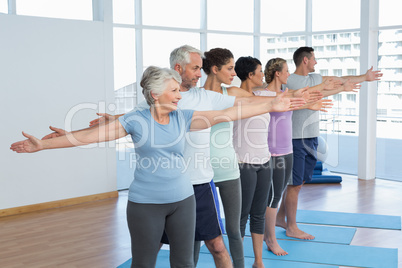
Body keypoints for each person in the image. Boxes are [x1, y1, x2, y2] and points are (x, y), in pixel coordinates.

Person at [44, 45, 306, 268]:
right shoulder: (139, 116)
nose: (183, 94)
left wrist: (273, 104)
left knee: (203, 251)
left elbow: (231, 112)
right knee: (149, 258)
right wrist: (52, 142)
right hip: (149, 199)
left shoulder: (186, 113)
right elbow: (100, 133)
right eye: (176, 89)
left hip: (189, 192)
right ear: (160, 91)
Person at [275, 47, 383, 242]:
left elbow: (341, 78)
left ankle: (280, 218)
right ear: (305, 60)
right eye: (314, 59)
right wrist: (335, 87)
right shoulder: (289, 80)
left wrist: (364, 77)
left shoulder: (317, 78)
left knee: (300, 182)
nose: (316, 62)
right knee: (295, 184)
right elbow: (296, 98)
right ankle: (291, 227)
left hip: (312, 136)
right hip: (294, 138)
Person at [258, 57, 334, 256]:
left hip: (287, 151)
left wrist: (310, 105)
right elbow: (276, 104)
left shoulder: (285, 93)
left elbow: (293, 103)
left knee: (281, 191)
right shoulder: (261, 93)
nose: (288, 74)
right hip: (271, 153)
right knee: (272, 197)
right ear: (277, 73)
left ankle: (278, 226)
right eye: (285, 71)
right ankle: (270, 238)